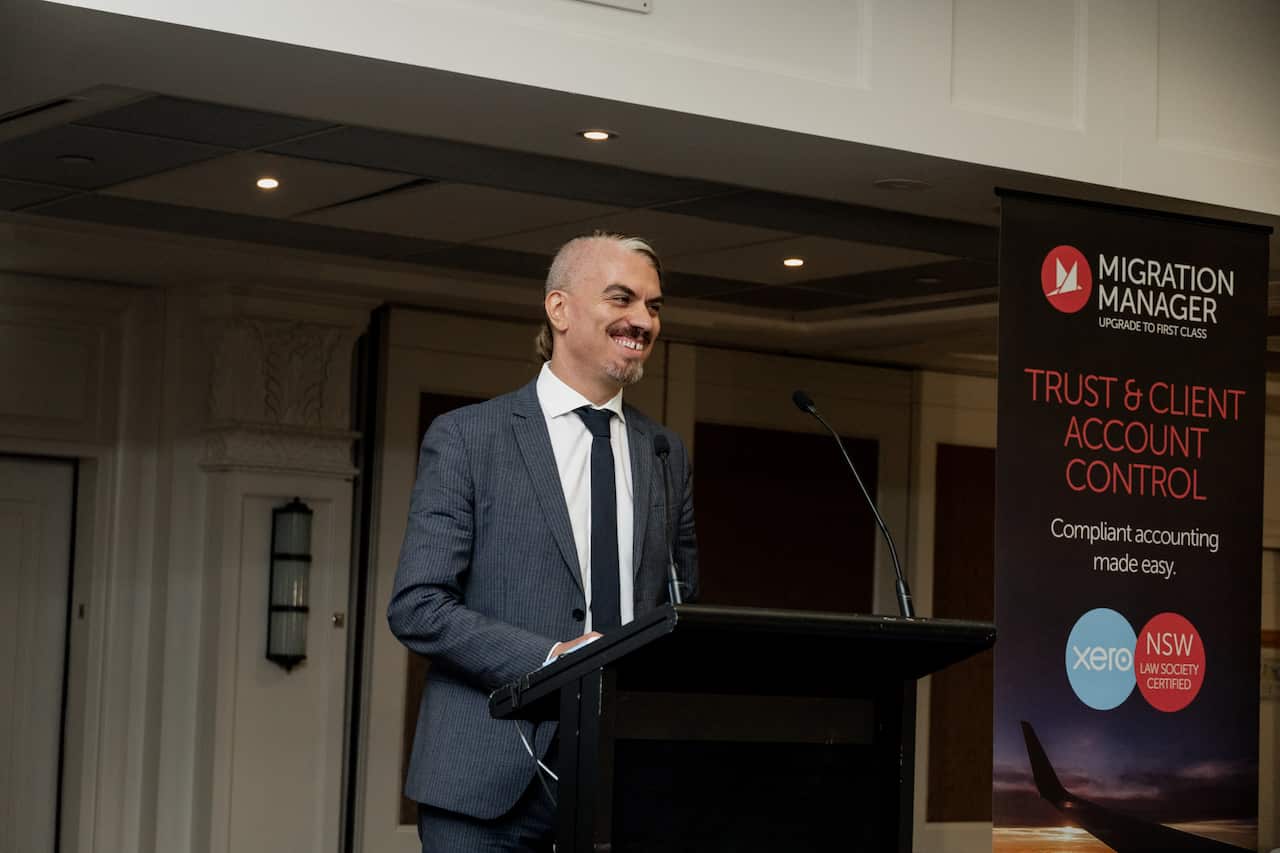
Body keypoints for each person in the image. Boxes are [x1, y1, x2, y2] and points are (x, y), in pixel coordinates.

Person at [388, 232, 699, 852]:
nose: (642, 321)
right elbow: (418, 606)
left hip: (623, 782)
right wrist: (554, 661)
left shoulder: (664, 452)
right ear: (559, 309)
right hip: (484, 782)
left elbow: (680, 609)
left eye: (654, 306)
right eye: (622, 299)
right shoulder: (468, 438)